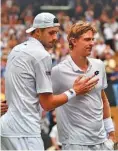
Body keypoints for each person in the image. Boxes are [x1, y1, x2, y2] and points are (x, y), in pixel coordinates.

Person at [0, 13, 98, 150]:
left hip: (5, 128)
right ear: (38, 32)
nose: (55, 38)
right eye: (51, 33)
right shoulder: (42, 55)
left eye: (56, 33)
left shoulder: (16, 50)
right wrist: (74, 91)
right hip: (24, 132)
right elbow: (47, 104)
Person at [51, 21, 116, 150]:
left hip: (102, 142)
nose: (92, 43)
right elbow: (46, 103)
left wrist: (111, 133)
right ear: (73, 41)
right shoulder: (58, 71)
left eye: (92, 39)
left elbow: (103, 99)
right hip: (75, 144)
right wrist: (73, 91)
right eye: (87, 39)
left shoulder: (99, 65)